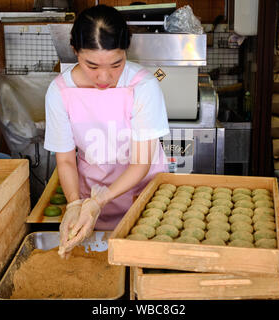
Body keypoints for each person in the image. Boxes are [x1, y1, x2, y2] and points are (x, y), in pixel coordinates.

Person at [44, 4, 170, 258]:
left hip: (143, 196)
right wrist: (75, 204)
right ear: (75, 51)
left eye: (116, 64)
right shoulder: (59, 92)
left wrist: (99, 202)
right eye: (92, 66)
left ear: (125, 52)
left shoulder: (143, 86)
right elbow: (66, 160)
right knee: (97, 257)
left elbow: (140, 163)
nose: (104, 77)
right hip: (90, 193)